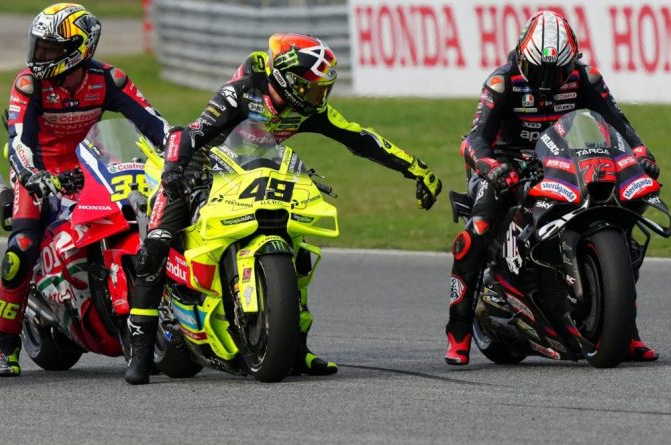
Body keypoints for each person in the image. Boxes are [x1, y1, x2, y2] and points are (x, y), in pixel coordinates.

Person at [125, 32, 442, 384]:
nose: (318, 98)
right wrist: (173, 173)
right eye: (312, 89)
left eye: (323, 90)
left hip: (252, 172)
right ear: (287, 80)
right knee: (156, 246)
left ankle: (296, 348)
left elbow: (360, 138)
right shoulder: (241, 92)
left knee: (296, 242)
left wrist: (415, 168)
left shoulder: (308, 109)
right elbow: (190, 134)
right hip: (199, 167)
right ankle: (140, 352)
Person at [444, 10, 660, 365]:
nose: (546, 82)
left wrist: (640, 155)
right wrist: (492, 167)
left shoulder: (586, 78)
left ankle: (625, 331)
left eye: (556, 73)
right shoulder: (502, 82)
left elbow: (620, 126)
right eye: (538, 71)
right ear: (522, 56)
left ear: (572, 61)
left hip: (566, 161)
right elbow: (474, 139)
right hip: (507, 165)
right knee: (476, 231)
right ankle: (459, 331)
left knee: (622, 223)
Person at [0, 3, 170, 377]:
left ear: (78, 50)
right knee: (21, 248)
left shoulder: (109, 80)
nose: (39, 55)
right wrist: (31, 175)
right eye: (39, 46)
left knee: (146, 220)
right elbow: (18, 141)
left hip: (93, 169)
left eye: (50, 49)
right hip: (39, 173)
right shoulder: (29, 84)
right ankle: (5, 345)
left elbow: (155, 125)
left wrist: (179, 151)